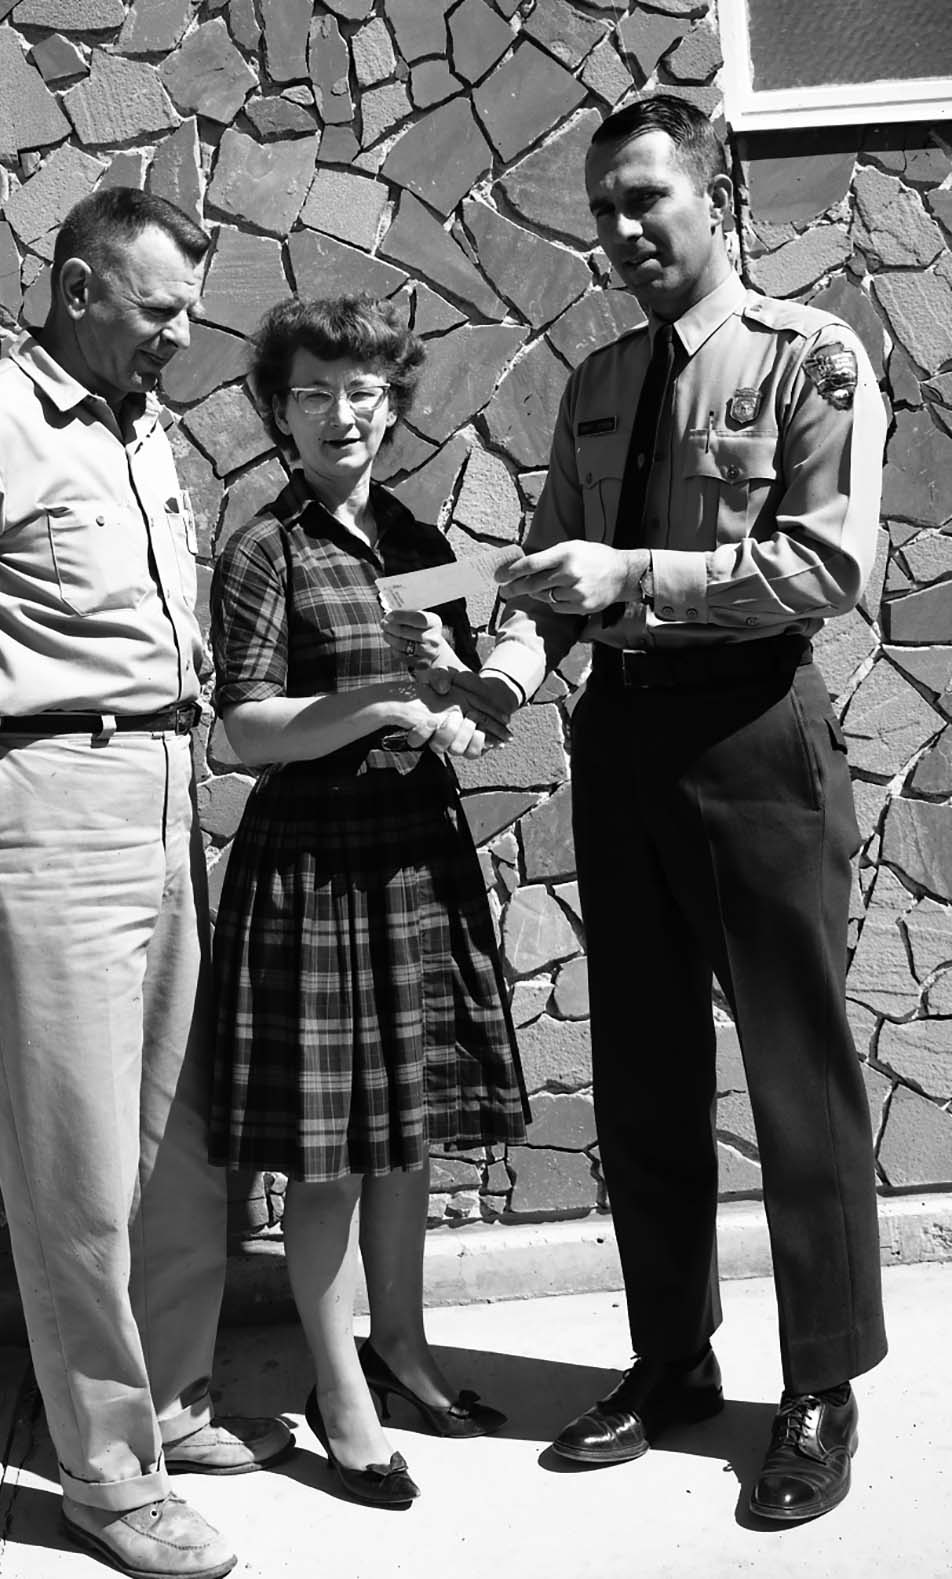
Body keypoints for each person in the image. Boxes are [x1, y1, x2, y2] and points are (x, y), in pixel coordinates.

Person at [446, 94, 888, 1523]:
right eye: (604, 209)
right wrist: (503, 680)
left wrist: (631, 575)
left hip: (752, 729)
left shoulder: (810, 358)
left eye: (647, 197)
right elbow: (544, 575)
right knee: (642, 1072)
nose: (624, 228)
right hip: (623, 738)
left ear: (718, 193)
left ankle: (821, 1382)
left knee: (797, 1076)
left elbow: (827, 567)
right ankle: (670, 1358)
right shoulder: (597, 380)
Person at [0, 187, 294, 1579]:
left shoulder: (144, 431)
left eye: (190, 310)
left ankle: (166, 1403)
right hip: (42, 808)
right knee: (77, 1170)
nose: (181, 334)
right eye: (159, 307)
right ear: (79, 287)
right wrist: (6, 763)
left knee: (176, 1140)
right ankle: (106, 1476)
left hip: (162, 804)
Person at [208, 295, 529, 1507]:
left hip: (416, 851)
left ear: (392, 403)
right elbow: (244, 730)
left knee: (407, 1134)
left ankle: (403, 1347)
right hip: (316, 864)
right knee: (333, 1154)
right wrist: (383, 705)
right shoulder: (264, 549)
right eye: (312, 392)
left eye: (362, 390)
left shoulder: (421, 539)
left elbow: (466, 706)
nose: (340, 413)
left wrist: (460, 694)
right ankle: (338, 1385)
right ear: (277, 410)